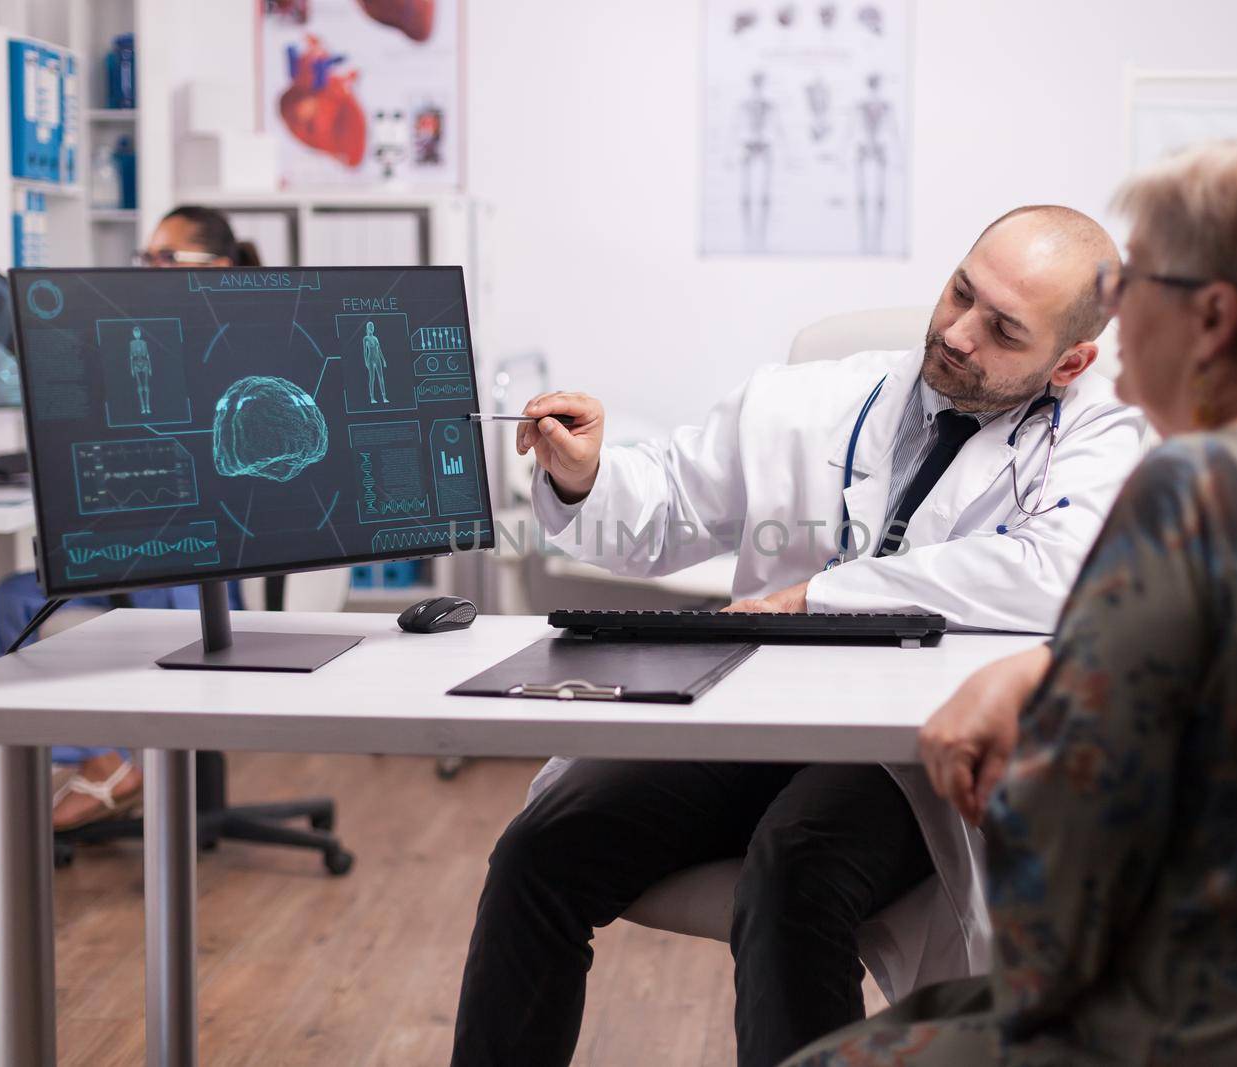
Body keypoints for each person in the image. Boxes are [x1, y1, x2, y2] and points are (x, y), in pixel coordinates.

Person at [785, 137, 1237, 1066]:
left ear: (1215, 317)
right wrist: (1048, 668)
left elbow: (1052, 906)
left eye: (1135, 282)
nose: (1107, 321)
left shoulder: (1191, 488)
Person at [451, 206, 1150, 1067]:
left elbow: (1058, 573)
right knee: (539, 851)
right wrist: (586, 473)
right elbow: (667, 508)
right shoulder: (806, 396)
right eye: (960, 292)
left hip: (901, 752)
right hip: (750, 708)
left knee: (794, 872)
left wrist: (821, 596)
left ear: (1069, 362)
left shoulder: (1100, 436)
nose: (959, 333)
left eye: (1004, 328)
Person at [0, 205, 259, 832]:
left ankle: (139, 756)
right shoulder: (144, 329)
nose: (149, 269)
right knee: (16, 599)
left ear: (218, 267)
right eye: (147, 258)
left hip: (210, 548)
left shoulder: (242, 339)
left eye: (166, 258)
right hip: (135, 529)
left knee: (161, 578)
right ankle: (101, 757)